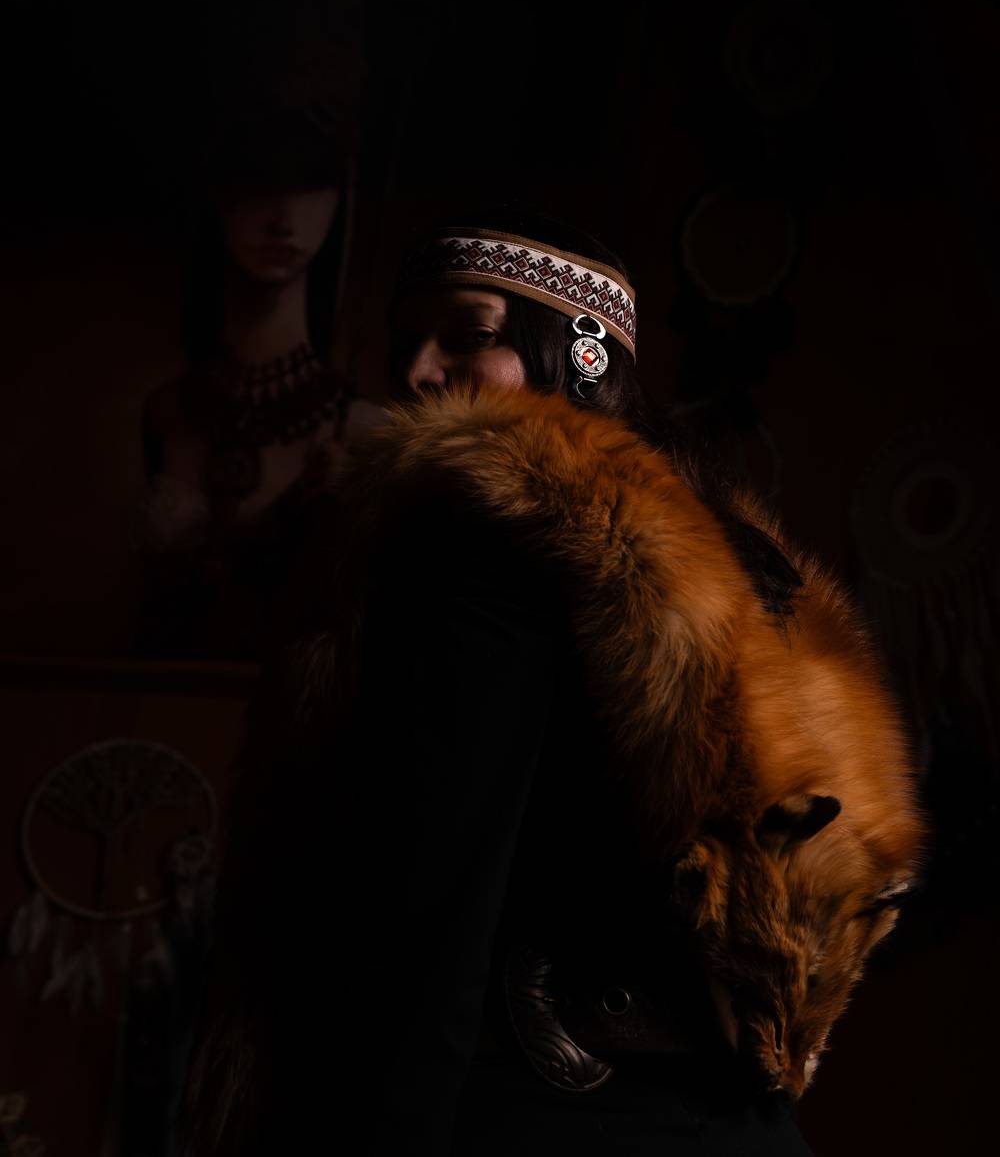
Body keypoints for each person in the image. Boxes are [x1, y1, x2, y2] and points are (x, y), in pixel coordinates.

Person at [184, 211, 922, 1155]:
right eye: (404, 343)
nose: (418, 371)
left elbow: (432, 923)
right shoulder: (728, 562)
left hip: (543, 1118)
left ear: (583, 351)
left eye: (468, 335)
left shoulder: (486, 549)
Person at [140, 104, 379, 659]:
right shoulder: (168, 412)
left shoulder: (362, 430)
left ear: (339, 202)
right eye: (257, 186)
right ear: (220, 199)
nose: (283, 219)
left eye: (310, 187)